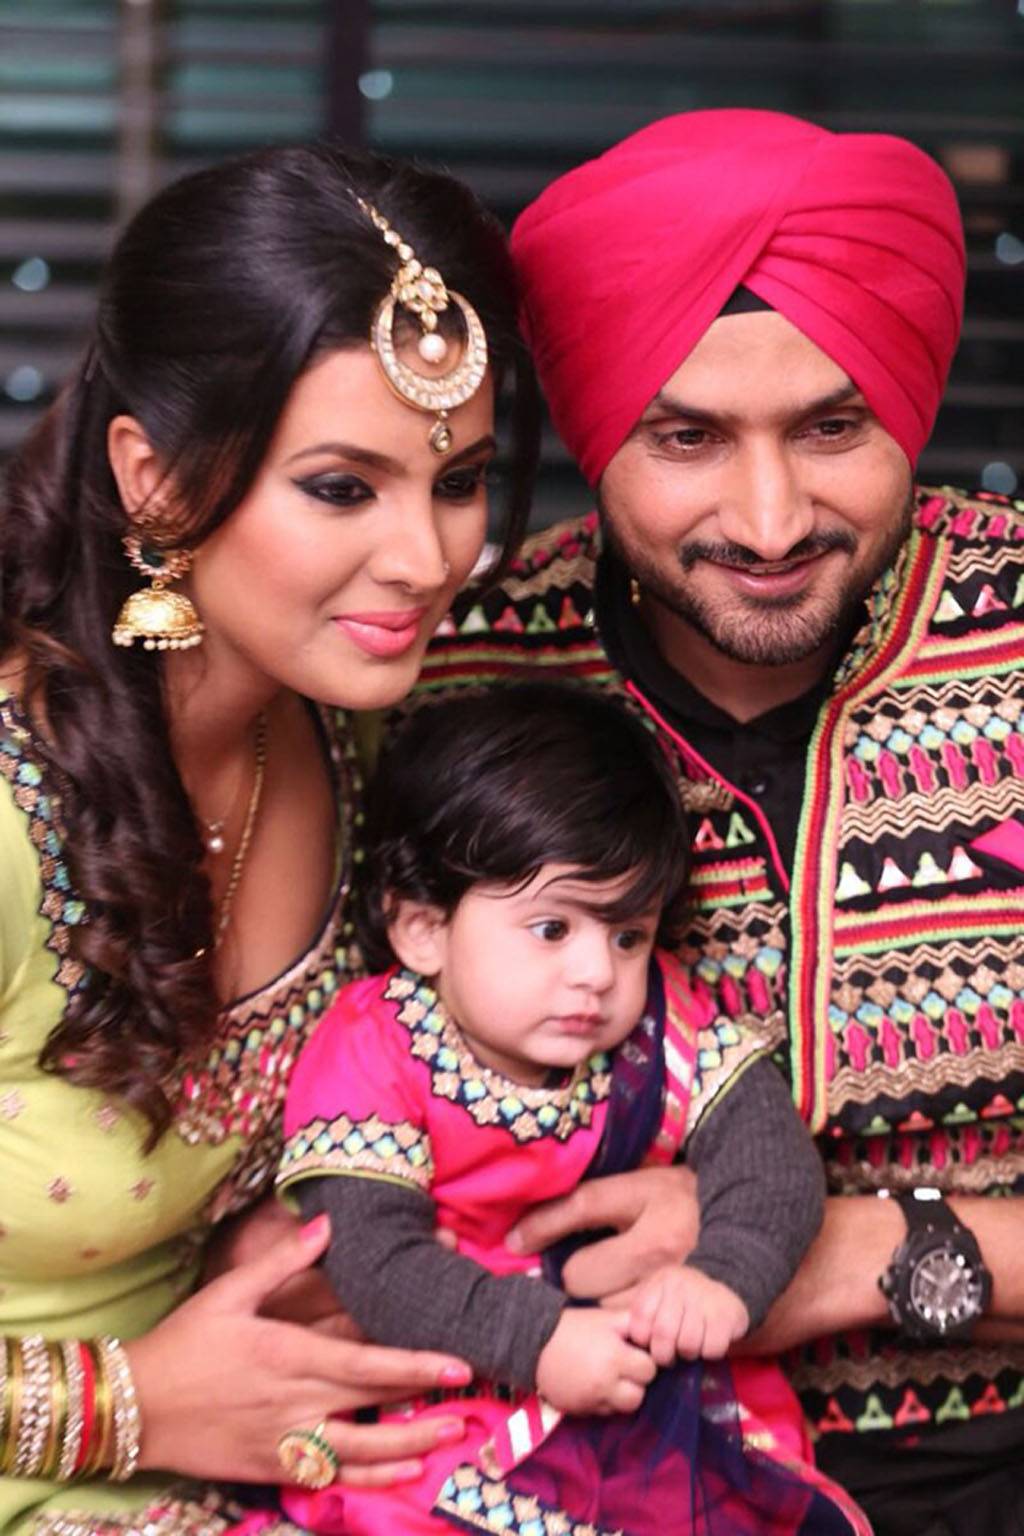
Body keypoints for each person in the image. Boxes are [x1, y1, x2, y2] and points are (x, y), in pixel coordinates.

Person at [416, 109, 1024, 1536]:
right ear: (594, 430)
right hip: (573, 1470)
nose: (768, 521)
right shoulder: (456, 682)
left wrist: (859, 1253)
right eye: (686, 437)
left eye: (831, 428)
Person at [0, 139, 539, 1533]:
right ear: (158, 479)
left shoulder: (344, 740)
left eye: (460, 479)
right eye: (343, 487)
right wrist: (119, 1401)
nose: (427, 559)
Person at [274, 681, 869, 1535]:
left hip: (646, 1377)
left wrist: (723, 1277)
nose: (597, 973)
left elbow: (772, 1164)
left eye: (628, 935)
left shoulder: (662, 1024)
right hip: (458, 1376)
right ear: (423, 930)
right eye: (553, 929)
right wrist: (540, 1341)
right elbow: (375, 1262)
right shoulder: (376, 1048)